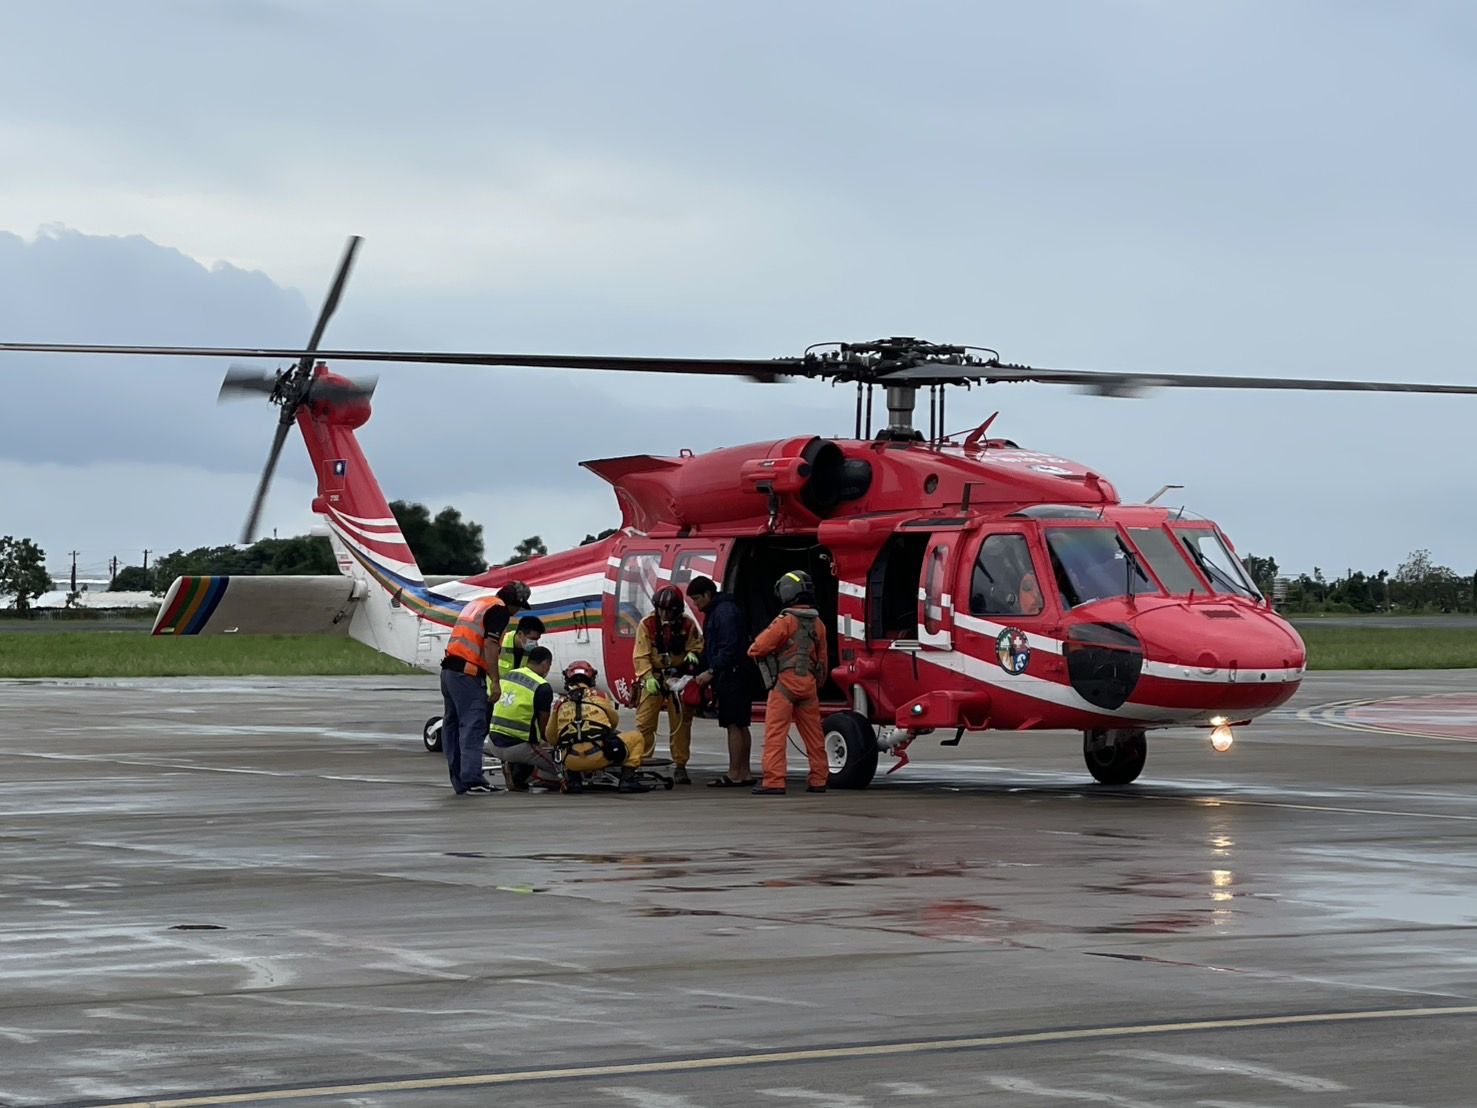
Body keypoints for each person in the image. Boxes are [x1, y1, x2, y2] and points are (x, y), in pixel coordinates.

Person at [439, 580, 531, 795]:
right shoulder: (499, 611)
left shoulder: (480, 603)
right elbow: (490, 645)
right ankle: (472, 780)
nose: (516, 613)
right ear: (514, 603)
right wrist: (495, 681)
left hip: (449, 672)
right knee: (473, 726)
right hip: (467, 674)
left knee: (452, 727)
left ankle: (460, 780)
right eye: (518, 608)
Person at [747, 570, 829, 796]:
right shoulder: (818, 624)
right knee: (814, 736)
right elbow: (823, 661)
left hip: (784, 685)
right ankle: (819, 779)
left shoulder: (784, 622)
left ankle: (774, 781)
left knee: (775, 734)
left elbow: (758, 647)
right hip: (808, 686)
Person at [688, 575, 755, 787]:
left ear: (708, 594)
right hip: (739, 673)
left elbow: (728, 647)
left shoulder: (722, 612)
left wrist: (711, 671)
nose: (696, 605)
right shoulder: (725, 609)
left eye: (697, 599)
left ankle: (734, 773)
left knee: (733, 724)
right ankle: (745, 772)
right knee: (742, 724)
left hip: (731, 675)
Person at [633, 585, 704, 784]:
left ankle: (680, 765)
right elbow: (641, 655)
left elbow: (696, 645)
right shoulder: (647, 624)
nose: (664, 614)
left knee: (681, 723)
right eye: (661, 609)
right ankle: (642, 762)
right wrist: (647, 678)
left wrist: (693, 654)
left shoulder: (688, 625)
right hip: (654, 676)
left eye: (669, 610)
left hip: (677, 678)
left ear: (678, 609)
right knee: (645, 722)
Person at [550, 659, 650, 793]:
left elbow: (551, 737)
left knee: (562, 744)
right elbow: (613, 723)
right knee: (637, 737)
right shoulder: (601, 696)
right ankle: (627, 780)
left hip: (570, 760)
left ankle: (574, 781)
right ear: (591, 678)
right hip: (600, 756)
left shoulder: (559, 704)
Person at [487, 645, 563, 788]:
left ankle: (514, 770)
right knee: (561, 770)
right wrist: (556, 743)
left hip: (493, 743)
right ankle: (532, 774)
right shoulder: (542, 686)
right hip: (517, 747)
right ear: (546, 663)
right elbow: (544, 728)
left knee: (530, 749)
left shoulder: (509, 675)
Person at [491, 614, 546, 789]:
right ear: (520, 634)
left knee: (524, 731)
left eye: (537, 640)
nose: (534, 643)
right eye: (532, 638)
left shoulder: (530, 651)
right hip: (493, 696)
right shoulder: (500, 643)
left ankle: (514, 771)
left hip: (513, 697)